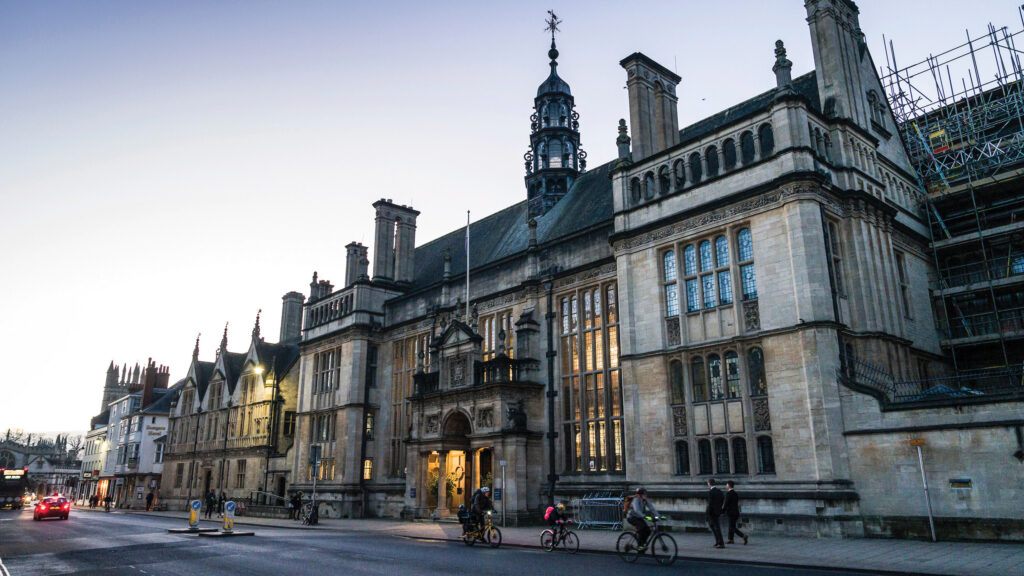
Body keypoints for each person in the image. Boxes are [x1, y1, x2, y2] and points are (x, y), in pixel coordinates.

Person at [723, 480, 748, 545]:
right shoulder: (735, 493)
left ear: (728, 485)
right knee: (731, 525)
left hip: (731, 512)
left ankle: (743, 536)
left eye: (726, 484)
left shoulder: (728, 494)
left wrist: (722, 511)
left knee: (732, 527)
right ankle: (731, 539)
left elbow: (726, 504)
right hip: (736, 512)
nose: (726, 486)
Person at [706, 478, 725, 548]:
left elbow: (710, 504)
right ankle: (718, 541)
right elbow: (722, 500)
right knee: (714, 527)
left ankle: (721, 543)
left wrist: (707, 513)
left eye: (708, 483)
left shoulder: (711, 492)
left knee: (716, 528)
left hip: (712, 513)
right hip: (717, 512)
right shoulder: (719, 491)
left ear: (709, 484)